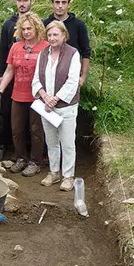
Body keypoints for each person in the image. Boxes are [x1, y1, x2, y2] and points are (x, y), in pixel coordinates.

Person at [0, 12, 48, 177]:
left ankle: (35, 162)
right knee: (16, 129)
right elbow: (9, 71)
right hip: (18, 94)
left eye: (29, 28)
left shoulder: (45, 48)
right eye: (23, 29)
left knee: (36, 130)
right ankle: (21, 158)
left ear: (37, 28)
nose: (26, 32)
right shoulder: (16, 47)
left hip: (38, 96)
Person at [32, 20, 81, 191]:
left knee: (67, 143)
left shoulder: (73, 54)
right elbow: (36, 78)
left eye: (56, 35)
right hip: (47, 108)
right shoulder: (43, 54)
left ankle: (68, 176)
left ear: (64, 35)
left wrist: (56, 99)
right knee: (51, 142)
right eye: (50, 35)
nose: (52, 38)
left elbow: (73, 81)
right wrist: (44, 96)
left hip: (66, 108)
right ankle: (54, 172)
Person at [0, 0, 34, 161]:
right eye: (19, 0)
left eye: (25, 0)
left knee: (31, 116)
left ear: (31, 1)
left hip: (31, 77)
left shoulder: (36, 23)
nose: (22, 3)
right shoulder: (8, 24)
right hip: (11, 75)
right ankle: (1, 145)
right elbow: (3, 50)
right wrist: (0, 75)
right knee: (6, 112)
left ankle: (29, 151)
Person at [43, 0, 91, 88]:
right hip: (48, 75)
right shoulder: (44, 24)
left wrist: (83, 76)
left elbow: (86, 51)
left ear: (69, 4)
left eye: (64, 2)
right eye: (57, 2)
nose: (60, 6)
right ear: (52, 4)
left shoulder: (79, 25)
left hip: (71, 76)